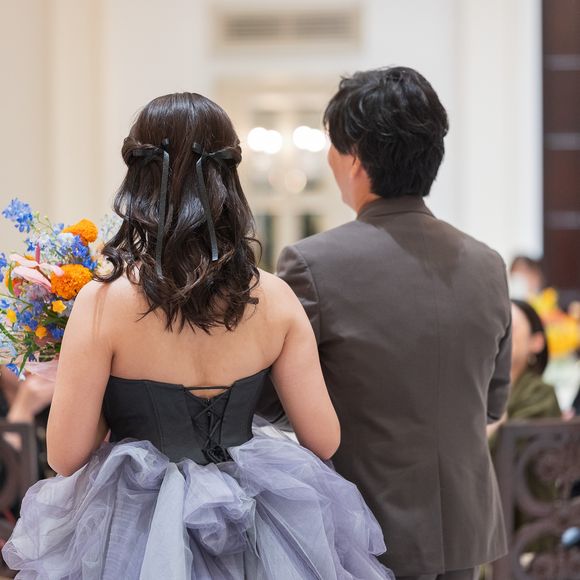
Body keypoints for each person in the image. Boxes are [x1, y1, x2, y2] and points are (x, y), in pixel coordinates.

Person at [2, 93, 394, 579]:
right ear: (229, 177)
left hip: (131, 529)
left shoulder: (101, 303)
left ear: (138, 178)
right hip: (256, 524)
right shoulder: (275, 298)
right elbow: (324, 438)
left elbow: (66, 456)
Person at [258, 67, 512, 580]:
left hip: (365, 531)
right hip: (463, 532)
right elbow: (492, 403)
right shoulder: (488, 264)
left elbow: (274, 399)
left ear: (354, 158)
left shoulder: (311, 265)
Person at [487, 299, 561, 444]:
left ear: (537, 342)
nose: (500, 335)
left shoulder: (540, 395)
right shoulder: (471, 387)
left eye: (509, 327)